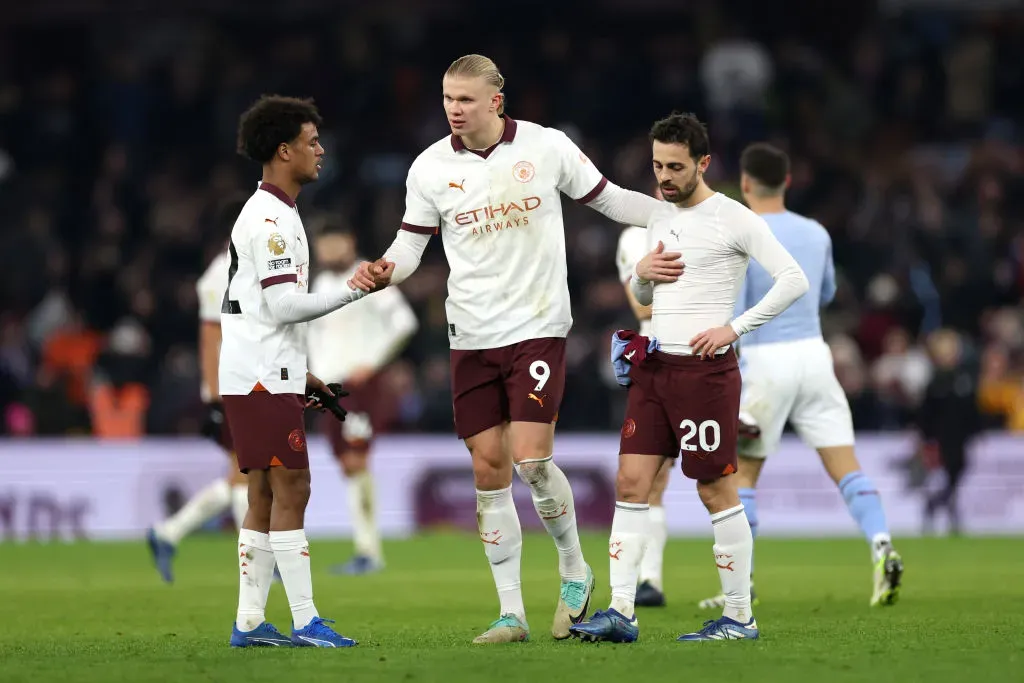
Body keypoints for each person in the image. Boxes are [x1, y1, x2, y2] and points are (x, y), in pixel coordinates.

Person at [349, 54, 667, 644]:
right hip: (470, 334)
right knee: (487, 470)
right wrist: (385, 269)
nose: (454, 109)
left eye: (465, 99)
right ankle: (511, 613)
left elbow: (612, 200)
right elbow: (410, 246)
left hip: (536, 325)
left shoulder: (546, 147)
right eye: (448, 99)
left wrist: (681, 213)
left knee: (531, 460)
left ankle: (574, 570)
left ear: (496, 101)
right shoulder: (429, 167)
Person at [570, 113, 809, 644]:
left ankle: (740, 617)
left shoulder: (733, 217)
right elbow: (647, 295)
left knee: (714, 488)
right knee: (631, 483)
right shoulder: (657, 216)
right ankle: (622, 612)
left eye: (675, 166)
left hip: (705, 372)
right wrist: (641, 277)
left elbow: (793, 279)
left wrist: (734, 328)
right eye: (657, 165)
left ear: (703, 163)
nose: (664, 177)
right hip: (654, 366)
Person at [696, 143, 903, 611]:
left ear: (745, 183)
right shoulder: (816, 232)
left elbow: (732, 308)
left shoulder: (741, 229)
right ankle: (882, 544)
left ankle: (742, 585)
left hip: (764, 361)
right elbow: (825, 293)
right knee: (845, 465)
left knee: (743, 474)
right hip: (814, 355)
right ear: (787, 181)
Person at [223, 95, 392, 648]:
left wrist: (302, 373)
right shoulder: (272, 220)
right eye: (311, 141)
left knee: (264, 495)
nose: (320, 150)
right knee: (293, 486)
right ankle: (305, 620)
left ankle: (250, 622)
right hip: (260, 375)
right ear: (283, 150)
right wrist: (353, 289)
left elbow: (263, 310)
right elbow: (282, 306)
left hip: (262, 369)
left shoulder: (278, 212)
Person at [146, 196, 252, 584]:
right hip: (231, 388)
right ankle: (255, 561)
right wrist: (214, 394)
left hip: (249, 383)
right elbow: (210, 337)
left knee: (242, 475)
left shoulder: (245, 269)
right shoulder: (218, 275)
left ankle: (167, 533)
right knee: (247, 473)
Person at [308, 226, 419, 575]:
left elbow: (404, 323)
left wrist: (371, 362)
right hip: (329, 388)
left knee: (357, 459)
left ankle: (368, 552)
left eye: (335, 243)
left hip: (359, 387)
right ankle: (366, 550)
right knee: (347, 463)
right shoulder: (320, 283)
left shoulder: (369, 276)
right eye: (324, 245)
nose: (329, 251)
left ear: (350, 242)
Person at [615, 193, 670, 608]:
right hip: (658, 357)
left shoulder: (718, 226)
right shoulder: (635, 238)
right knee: (652, 476)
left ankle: (741, 594)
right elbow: (640, 304)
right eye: (661, 169)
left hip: (710, 355)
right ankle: (650, 579)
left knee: (722, 480)